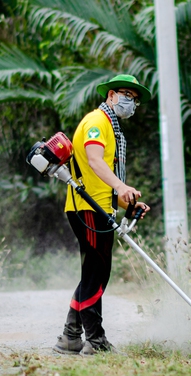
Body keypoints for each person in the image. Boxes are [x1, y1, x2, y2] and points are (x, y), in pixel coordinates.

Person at [53, 74, 152, 355]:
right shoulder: (97, 122)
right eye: (125, 95)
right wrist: (121, 186)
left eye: (134, 99)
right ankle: (95, 341)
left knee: (93, 273)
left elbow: (102, 178)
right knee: (96, 274)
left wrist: (127, 204)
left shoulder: (111, 126)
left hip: (98, 207)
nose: (130, 102)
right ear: (110, 95)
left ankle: (70, 337)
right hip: (88, 209)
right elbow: (94, 161)